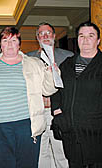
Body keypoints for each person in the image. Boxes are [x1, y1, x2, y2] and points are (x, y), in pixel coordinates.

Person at [0, 27, 58, 168]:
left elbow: (48, 90)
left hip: (27, 125)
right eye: (5, 40)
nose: (9, 44)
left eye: (14, 40)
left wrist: (52, 73)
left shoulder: (34, 63)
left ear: (19, 44)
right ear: (0, 44)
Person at [51, 22, 102, 168]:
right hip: (71, 133)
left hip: (98, 134)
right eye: (81, 36)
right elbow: (56, 89)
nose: (85, 40)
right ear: (77, 40)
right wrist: (57, 111)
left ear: (98, 40)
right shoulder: (67, 64)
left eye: (90, 36)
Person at [27, 22, 73, 168]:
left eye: (48, 33)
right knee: (41, 152)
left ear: (53, 36)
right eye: (41, 33)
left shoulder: (68, 57)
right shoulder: (28, 59)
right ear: (37, 37)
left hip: (59, 112)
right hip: (37, 112)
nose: (45, 36)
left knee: (61, 151)